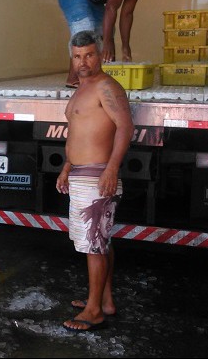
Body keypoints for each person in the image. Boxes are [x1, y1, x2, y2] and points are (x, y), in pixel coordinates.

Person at [55, 30, 134, 332]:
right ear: (72, 59)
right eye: (77, 56)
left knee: (94, 245)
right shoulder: (80, 89)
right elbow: (77, 133)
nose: (83, 61)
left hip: (98, 174)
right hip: (80, 173)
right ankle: (105, 300)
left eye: (89, 54)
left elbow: (125, 127)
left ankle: (93, 311)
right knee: (99, 241)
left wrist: (112, 169)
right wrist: (66, 167)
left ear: (100, 55)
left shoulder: (106, 86)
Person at [58, 0, 174, 87]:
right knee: (85, 29)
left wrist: (125, 47)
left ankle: (102, 75)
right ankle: (74, 79)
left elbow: (127, 14)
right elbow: (111, 7)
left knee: (105, 31)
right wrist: (106, 43)